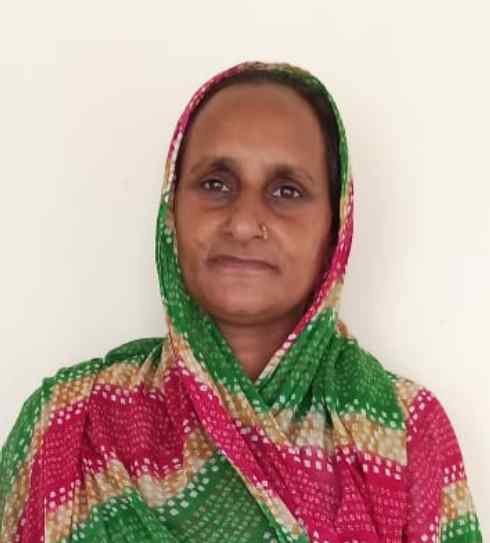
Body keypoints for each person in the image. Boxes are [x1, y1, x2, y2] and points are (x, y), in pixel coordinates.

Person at [0, 61, 481, 543]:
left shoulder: (403, 433)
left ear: (335, 227)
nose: (245, 223)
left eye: (287, 191)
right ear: (172, 210)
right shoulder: (69, 425)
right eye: (216, 184)